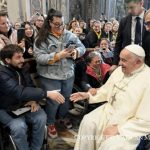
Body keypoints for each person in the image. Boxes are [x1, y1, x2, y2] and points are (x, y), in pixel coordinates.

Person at [71, 44, 150, 150]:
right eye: (120, 59)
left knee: (111, 145)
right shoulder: (119, 71)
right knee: (88, 122)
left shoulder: (147, 79)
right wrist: (88, 95)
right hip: (109, 110)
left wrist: (120, 129)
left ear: (138, 62)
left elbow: (146, 120)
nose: (120, 63)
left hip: (130, 123)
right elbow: (106, 90)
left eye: (124, 60)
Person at [0, 44, 65, 150]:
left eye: (22, 56)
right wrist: (47, 94)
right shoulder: (2, 73)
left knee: (41, 117)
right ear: (7, 60)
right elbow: (18, 92)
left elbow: (30, 86)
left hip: (25, 104)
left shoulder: (22, 67)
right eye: (18, 57)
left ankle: (36, 148)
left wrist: (34, 99)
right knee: (19, 126)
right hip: (5, 107)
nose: (22, 60)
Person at [34, 8, 85, 138]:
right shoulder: (41, 37)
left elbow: (82, 47)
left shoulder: (69, 34)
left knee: (66, 98)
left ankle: (62, 117)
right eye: (56, 24)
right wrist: (58, 56)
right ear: (49, 23)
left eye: (62, 23)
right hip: (49, 75)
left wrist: (76, 52)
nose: (60, 27)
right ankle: (50, 122)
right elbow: (39, 57)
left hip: (68, 73)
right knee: (54, 101)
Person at [110, 0, 146, 72]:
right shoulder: (124, 21)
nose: (129, 11)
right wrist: (114, 63)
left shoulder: (148, 18)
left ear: (141, 3)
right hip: (128, 62)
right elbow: (118, 44)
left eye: (132, 7)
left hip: (146, 62)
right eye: (127, 8)